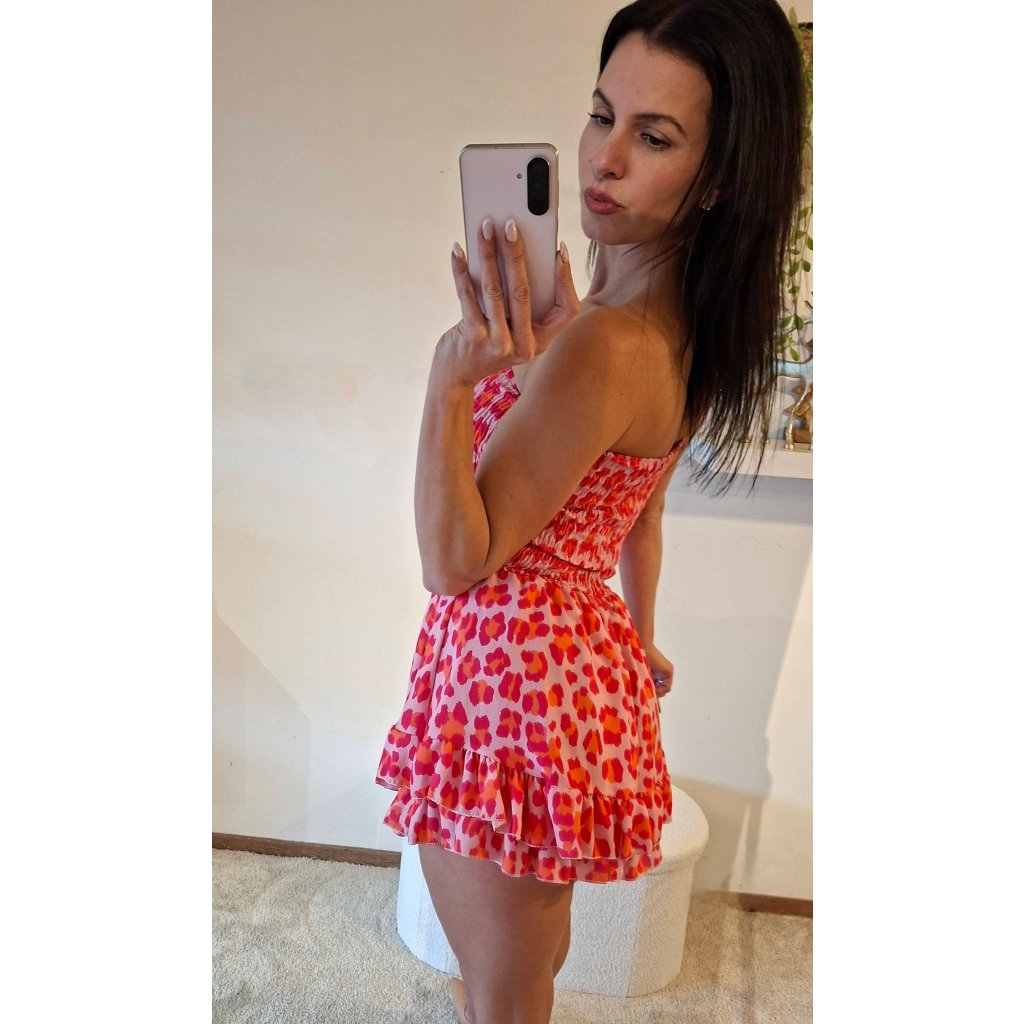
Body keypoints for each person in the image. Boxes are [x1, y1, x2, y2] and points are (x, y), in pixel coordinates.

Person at [374, 1, 806, 1021]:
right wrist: (637, 640)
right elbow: (637, 515)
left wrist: (448, 379)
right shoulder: (672, 332)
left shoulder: (604, 345)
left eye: (653, 137)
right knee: (521, 963)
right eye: (602, 114)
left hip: (510, 687)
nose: (603, 160)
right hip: (567, 674)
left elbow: (454, 558)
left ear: (718, 176)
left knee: (501, 984)